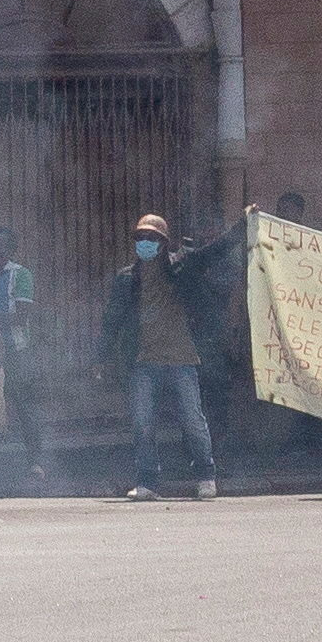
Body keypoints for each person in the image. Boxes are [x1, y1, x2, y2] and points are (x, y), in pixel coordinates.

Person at [101, 212, 219, 499]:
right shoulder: (127, 277)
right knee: (143, 423)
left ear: (164, 243)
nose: (145, 243)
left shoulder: (180, 270)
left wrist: (243, 227)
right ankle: (148, 481)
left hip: (181, 357)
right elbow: (112, 318)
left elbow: (211, 254)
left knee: (193, 419)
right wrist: (102, 356)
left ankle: (206, 474)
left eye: (152, 238)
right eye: (140, 238)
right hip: (143, 359)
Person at [0, 229, 45, 481]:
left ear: (9, 250)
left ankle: (36, 461)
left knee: (24, 405)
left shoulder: (20, 274)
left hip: (16, 351)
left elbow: (22, 315)